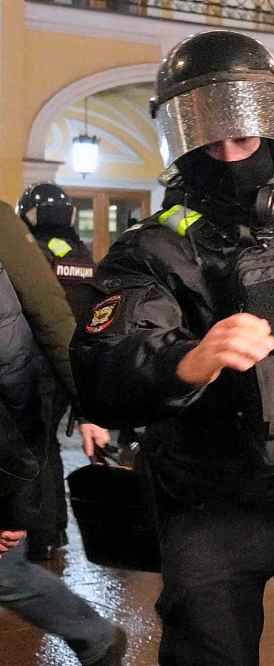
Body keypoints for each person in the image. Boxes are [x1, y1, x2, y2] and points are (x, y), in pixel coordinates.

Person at [70, 31, 274, 665]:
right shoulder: (151, 248)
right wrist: (187, 360)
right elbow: (104, 363)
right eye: (207, 142)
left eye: (242, 137)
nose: (228, 155)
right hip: (208, 508)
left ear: (272, 129)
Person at [1, 259, 127, 666]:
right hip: (33, 405)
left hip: (27, 414)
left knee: (7, 571)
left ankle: (95, 636)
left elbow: (16, 374)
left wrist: (8, 504)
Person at [15, 183, 104, 561]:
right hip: (73, 367)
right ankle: (53, 531)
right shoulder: (81, 255)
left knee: (32, 449)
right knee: (47, 445)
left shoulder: (31, 255)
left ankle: (37, 534)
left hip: (36, 365)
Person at [0, 202, 110, 459]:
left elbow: (52, 316)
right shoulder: (81, 252)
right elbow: (55, 318)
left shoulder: (29, 243)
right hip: (49, 371)